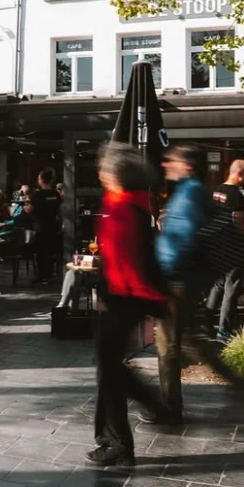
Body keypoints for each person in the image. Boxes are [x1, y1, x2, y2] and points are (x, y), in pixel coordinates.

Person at [151, 144, 244, 424]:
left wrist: (164, 269)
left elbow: (184, 237)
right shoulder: (187, 191)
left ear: (188, 166)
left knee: (167, 346)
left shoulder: (190, 192)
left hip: (177, 278)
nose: (167, 165)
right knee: (189, 340)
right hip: (182, 278)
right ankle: (236, 383)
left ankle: (170, 407)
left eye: (172, 161)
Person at [86, 144, 169, 467]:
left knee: (110, 370)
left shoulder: (123, 209)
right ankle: (114, 438)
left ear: (116, 175)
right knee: (109, 369)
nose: (100, 173)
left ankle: (120, 439)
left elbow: (129, 264)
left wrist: (152, 298)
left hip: (122, 300)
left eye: (104, 169)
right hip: (122, 298)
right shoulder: (122, 203)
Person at [204, 159, 244, 343]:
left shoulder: (217, 191)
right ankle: (224, 330)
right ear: (240, 174)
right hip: (232, 245)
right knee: (232, 287)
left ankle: (206, 323)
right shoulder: (237, 195)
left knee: (219, 284)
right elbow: (237, 221)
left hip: (216, 244)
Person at [31, 168, 61, 283]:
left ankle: (42, 275)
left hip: (41, 226)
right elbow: (59, 210)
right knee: (50, 251)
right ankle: (49, 274)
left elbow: (30, 209)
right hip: (53, 225)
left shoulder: (38, 195)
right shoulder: (56, 194)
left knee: (40, 251)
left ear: (41, 180)